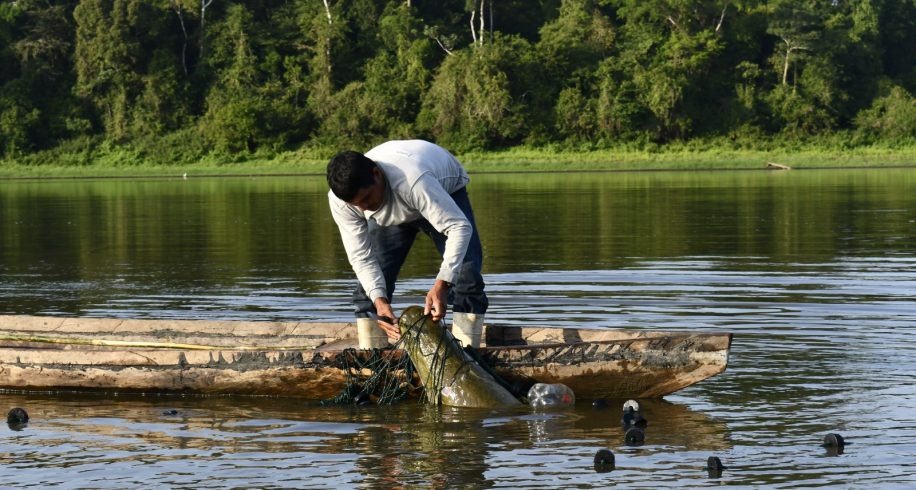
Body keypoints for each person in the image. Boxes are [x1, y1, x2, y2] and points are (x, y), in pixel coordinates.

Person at [326, 139, 488, 349]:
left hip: (442, 190)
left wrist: (443, 283)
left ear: (376, 174)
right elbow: (361, 257)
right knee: (370, 289)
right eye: (357, 205)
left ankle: (469, 356)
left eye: (366, 198)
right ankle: (372, 359)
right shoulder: (342, 201)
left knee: (467, 275)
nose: (365, 209)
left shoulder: (414, 181)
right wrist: (379, 301)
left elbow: (459, 228)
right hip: (394, 208)